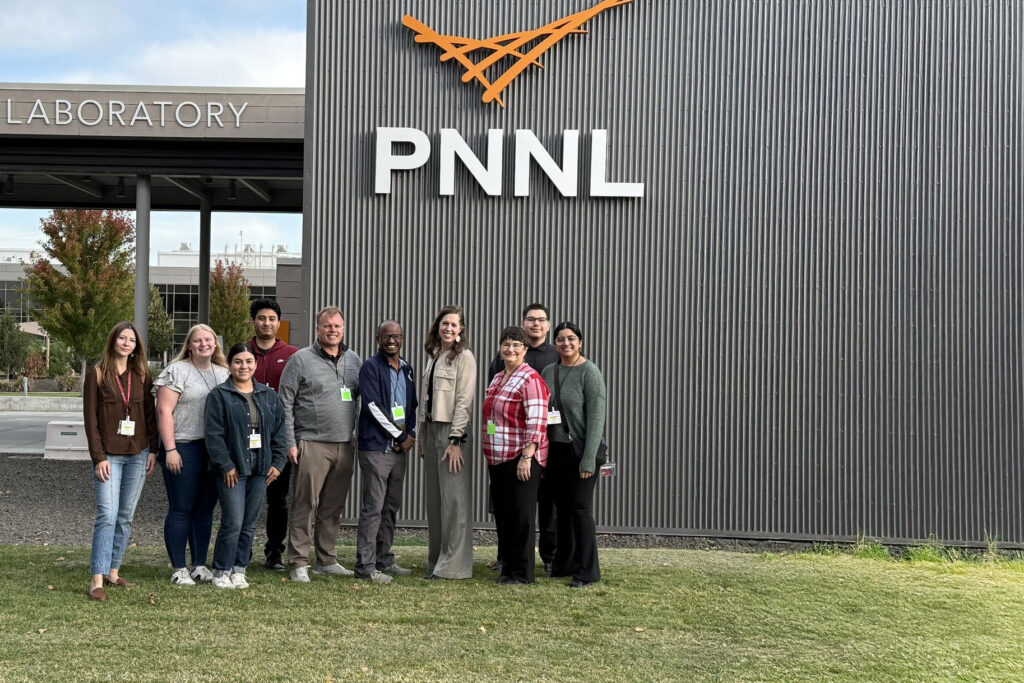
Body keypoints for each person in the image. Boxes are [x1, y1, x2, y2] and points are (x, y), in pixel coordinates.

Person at [278, 306, 362, 583]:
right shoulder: (300, 360)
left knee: (332, 507)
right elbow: (285, 402)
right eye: (327, 326)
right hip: (311, 443)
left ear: (343, 329)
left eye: (337, 326)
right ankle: (298, 562)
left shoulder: (354, 360)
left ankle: (326, 560)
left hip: (344, 444)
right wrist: (290, 441)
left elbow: (362, 400)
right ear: (318, 329)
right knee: (305, 505)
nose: (332, 330)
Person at [82, 321, 158, 601]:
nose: (127, 344)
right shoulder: (97, 374)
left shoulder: (142, 374)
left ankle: (113, 572)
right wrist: (98, 457)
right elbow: (90, 420)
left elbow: (150, 415)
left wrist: (154, 450)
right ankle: (96, 579)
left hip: (138, 453)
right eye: (122, 338)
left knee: (125, 516)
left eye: (132, 340)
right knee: (107, 515)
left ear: (136, 346)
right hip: (109, 456)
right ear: (113, 340)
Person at [204, 343, 288, 589]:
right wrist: (225, 464)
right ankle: (222, 570)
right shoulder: (219, 395)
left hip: (261, 469)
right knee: (233, 521)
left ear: (255, 364)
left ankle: (239, 569)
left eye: (249, 361)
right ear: (229, 365)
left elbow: (280, 432)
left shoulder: (268, 395)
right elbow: (214, 435)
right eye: (238, 361)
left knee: (249, 523)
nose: (244, 366)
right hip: (232, 470)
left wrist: (278, 463)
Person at [153, 324, 230, 585]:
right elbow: (163, 411)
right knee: (181, 508)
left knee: (205, 510)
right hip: (183, 446)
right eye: (197, 340)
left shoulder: (224, 373)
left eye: (208, 339)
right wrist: (170, 449)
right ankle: (179, 568)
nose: (203, 344)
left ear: (215, 343)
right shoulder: (177, 370)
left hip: (213, 450)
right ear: (189, 345)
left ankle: (199, 564)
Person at [487, 303, 559, 574]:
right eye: (531, 319)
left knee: (541, 507)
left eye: (541, 320)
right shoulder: (500, 370)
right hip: (504, 451)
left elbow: (538, 417)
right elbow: (493, 409)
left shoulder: (546, 363)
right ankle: (507, 557)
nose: (536, 324)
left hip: (534, 446)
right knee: (509, 509)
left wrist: (528, 455)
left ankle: (546, 558)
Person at [541, 322, 607, 588]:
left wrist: (588, 459)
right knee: (563, 510)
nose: (565, 343)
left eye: (571, 339)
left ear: (580, 342)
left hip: (581, 450)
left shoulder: (589, 372)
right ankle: (563, 565)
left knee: (580, 508)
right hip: (556, 450)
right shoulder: (549, 371)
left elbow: (597, 419)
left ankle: (587, 571)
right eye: (560, 339)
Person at [355, 320, 418, 584]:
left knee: (390, 507)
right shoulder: (370, 367)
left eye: (396, 336)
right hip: (376, 447)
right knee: (374, 507)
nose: (391, 340)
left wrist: (410, 433)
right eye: (386, 336)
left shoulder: (407, 368)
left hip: (399, 449)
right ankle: (365, 566)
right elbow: (373, 406)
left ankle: (384, 559)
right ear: (377, 339)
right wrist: (400, 436)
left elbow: (412, 406)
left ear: (403, 338)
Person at [419, 306, 477, 580]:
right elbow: (426, 399)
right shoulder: (434, 356)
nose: (449, 328)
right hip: (431, 431)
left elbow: (464, 401)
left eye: (454, 325)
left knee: (454, 501)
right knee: (435, 502)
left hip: (451, 433)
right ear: (438, 326)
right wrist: (422, 435)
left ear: (460, 330)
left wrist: (456, 439)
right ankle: (437, 560)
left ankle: (455, 566)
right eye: (445, 323)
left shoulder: (464, 358)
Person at [245, 298, 298, 571]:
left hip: (278, 439)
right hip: (246, 437)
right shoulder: (242, 352)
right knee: (244, 496)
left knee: (278, 499)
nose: (266, 323)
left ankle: (274, 551)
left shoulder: (292, 355)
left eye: (271, 319)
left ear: (279, 323)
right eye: (261, 318)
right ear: (254, 321)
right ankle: (241, 549)